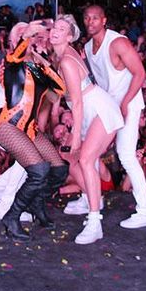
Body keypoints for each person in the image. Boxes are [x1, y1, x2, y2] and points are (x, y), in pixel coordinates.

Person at [82, 5, 146, 229]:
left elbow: (140, 73)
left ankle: (145, 211)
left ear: (104, 20)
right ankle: (91, 199)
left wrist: (124, 103)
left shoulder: (118, 42)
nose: (90, 22)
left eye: (95, 18)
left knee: (126, 154)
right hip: (109, 105)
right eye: (87, 18)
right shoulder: (87, 47)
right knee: (90, 151)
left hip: (128, 103)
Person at [50, 14, 120, 245]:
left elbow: (78, 103)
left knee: (86, 160)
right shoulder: (61, 55)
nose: (55, 31)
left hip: (99, 110)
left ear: (70, 37)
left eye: (62, 29)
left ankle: (94, 222)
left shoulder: (67, 61)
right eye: (54, 27)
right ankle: (89, 197)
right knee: (76, 159)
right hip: (89, 111)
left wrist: (76, 135)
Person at [0, 22, 66, 241]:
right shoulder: (11, 62)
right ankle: (12, 217)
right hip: (8, 126)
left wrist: (42, 60)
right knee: (39, 170)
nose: (33, 38)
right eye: (25, 35)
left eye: (33, 36)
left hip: (29, 129)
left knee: (59, 169)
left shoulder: (36, 67)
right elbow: (16, 55)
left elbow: (60, 88)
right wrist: (27, 35)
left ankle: (37, 204)